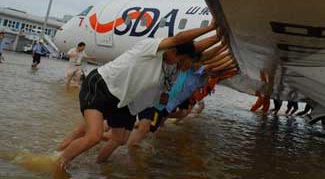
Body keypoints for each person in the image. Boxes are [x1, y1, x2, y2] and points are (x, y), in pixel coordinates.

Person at [56, 20, 217, 171]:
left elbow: (199, 53)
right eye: (184, 61)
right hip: (102, 85)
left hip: (124, 98)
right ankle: (57, 163)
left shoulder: (173, 68)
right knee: (94, 136)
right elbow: (178, 40)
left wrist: (220, 38)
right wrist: (211, 28)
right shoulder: (152, 47)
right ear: (173, 51)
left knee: (120, 139)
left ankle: (99, 168)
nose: (186, 66)